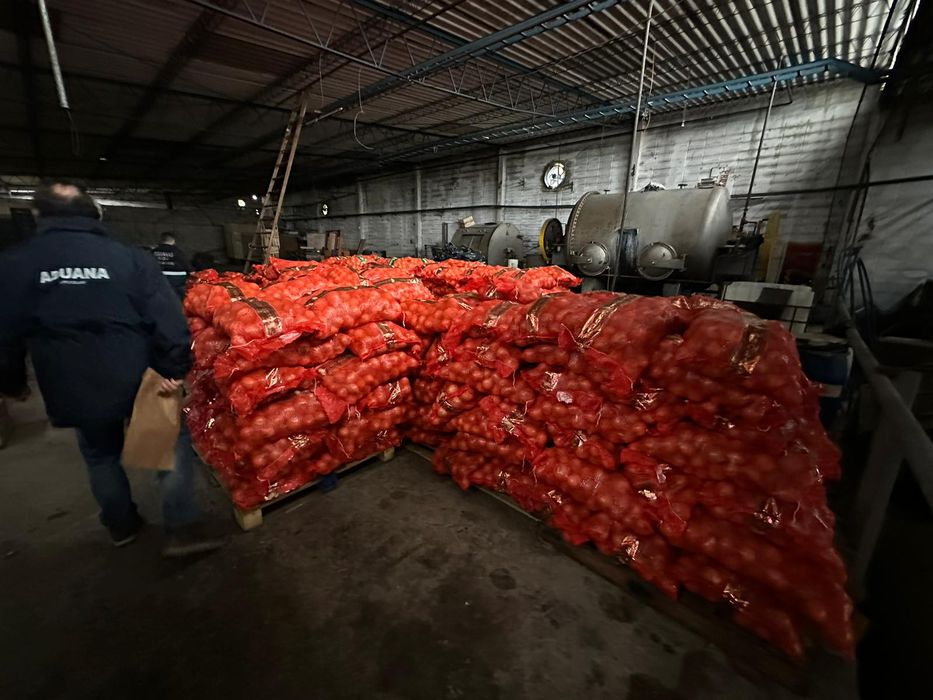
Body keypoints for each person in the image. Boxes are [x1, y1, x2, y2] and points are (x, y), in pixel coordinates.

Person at [0, 181, 223, 556]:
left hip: (69, 382)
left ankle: (122, 526)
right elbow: (167, 318)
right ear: (95, 213)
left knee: (101, 454)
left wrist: (11, 382)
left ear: (39, 215)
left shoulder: (17, 263)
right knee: (166, 448)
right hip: (137, 374)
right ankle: (182, 530)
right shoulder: (128, 258)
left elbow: (4, 334)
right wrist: (174, 367)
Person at [152, 231, 191, 299]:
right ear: (173, 241)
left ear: (161, 240)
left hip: (158, 279)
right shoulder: (178, 252)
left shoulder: (153, 251)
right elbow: (188, 267)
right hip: (177, 280)